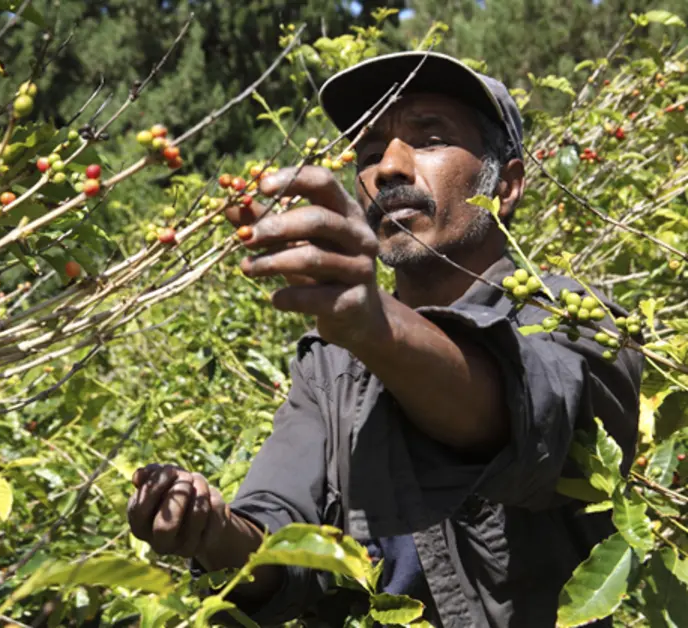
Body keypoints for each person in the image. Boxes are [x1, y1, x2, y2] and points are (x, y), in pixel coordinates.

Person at [126, 51, 643, 627]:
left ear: (508, 186)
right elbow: (280, 533)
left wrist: (376, 324)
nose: (389, 168)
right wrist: (211, 529)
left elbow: (523, 414)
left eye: (430, 138)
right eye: (369, 153)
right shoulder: (330, 367)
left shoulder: (573, 319)